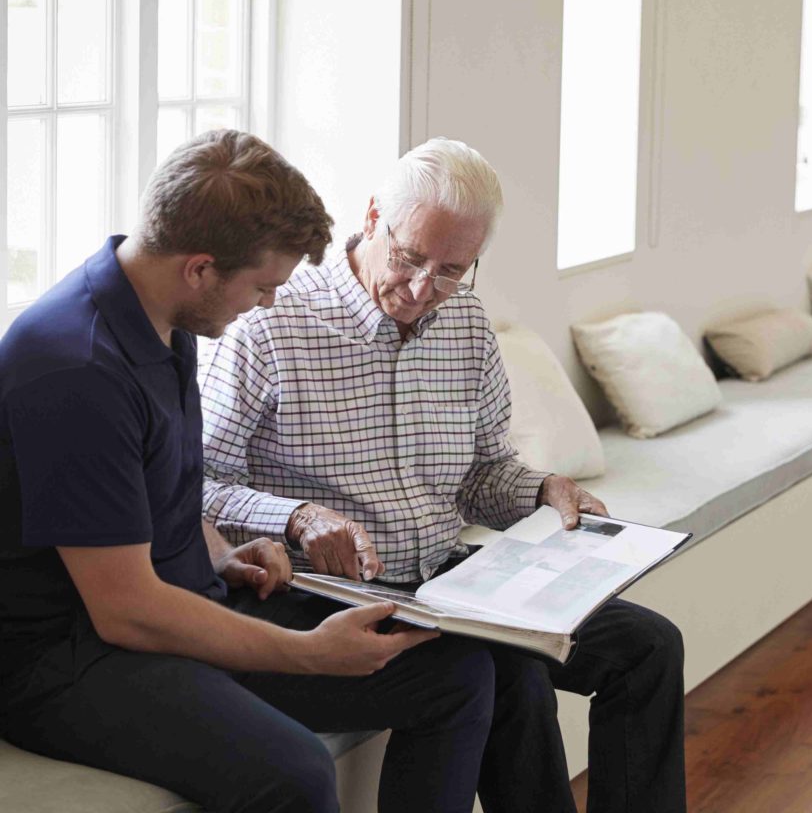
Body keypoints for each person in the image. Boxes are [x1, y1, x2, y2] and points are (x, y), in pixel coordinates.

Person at [0, 130, 496, 813]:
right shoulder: (77, 366)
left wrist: (224, 552)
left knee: (454, 672)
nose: (266, 305)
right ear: (201, 269)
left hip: (173, 600)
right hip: (71, 659)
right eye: (262, 286)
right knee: (293, 775)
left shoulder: (162, 318)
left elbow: (165, 491)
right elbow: (124, 611)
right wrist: (307, 653)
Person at [201, 136, 687, 813]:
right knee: (504, 673)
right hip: (323, 595)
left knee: (648, 646)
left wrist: (543, 492)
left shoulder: (465, 323)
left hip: (448, 581)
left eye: (454, 269)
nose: (425, 289)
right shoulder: (270, 325)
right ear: (373, 218)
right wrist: (297, 518)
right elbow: (196, 485)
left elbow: (483, 472)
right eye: (409, 259)